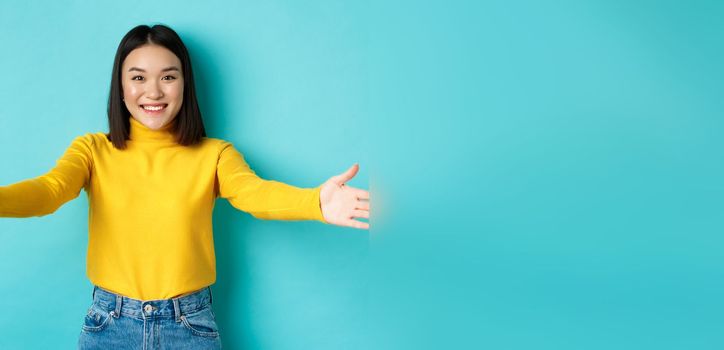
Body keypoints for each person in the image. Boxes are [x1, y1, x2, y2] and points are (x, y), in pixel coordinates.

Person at [0, 24, 370, 349]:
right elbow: (50, 191)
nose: (154, 91)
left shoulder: (215, 155)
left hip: (189, 326)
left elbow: (255, 194)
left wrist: (315, 202)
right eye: (138, 77)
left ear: (184, 83)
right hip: (108, 325)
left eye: (168, 76)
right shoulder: (93, 150)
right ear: (121, 85)